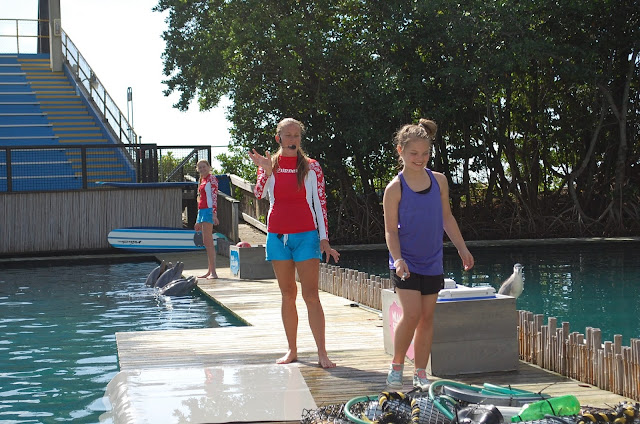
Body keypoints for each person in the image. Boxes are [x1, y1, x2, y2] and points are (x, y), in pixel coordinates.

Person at [383, 118, 474, 389]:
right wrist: (398, 259)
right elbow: (390, 231)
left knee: (426, 318)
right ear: (400, 151)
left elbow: (447, 217)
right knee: (411, 314)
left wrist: (462, 248)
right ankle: (397, 365)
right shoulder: (394, 188)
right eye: (414, 153)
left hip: (432, 261)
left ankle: (420, 372)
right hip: (405, 262)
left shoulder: (439, 181)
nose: (420, 158)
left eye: (425, 153)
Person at [248, 117, 340, 368]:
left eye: (296, 135)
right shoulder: (269, 164)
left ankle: (322, 352)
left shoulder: (312, 166)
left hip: (306, 236)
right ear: (278, 138)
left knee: (311, 295)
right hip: (277, 237)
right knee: (287, 294)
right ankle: (292, 350)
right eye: (288, 135)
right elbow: (259, 194)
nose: (293, 140)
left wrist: (324, 239)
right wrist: (267, 171)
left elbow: (320, 203)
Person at [194, 159, 219, 279]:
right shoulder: (202, 180)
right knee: (206, 241)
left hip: (209, 211)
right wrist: (198, 220)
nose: (202, 169)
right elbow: (200, 200)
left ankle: (213, 272)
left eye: (204, 166)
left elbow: (214, 197)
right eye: (200, 167)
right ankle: (209, 271)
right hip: (202, 211)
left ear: (209, 167)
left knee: (209, 241)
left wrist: (214, 213)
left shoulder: (212, 179)